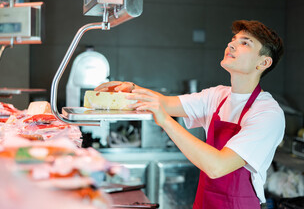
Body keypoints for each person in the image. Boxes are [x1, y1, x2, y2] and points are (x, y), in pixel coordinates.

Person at [95, 20, 285, 209]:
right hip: (204, 203)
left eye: (245, 43)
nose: (231, 44)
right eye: (233, 39)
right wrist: (131, 89)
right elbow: (165, 103)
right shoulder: (217, 96)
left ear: (264, 62)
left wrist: (166, 122)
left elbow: (217, 166)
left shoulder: (268, 113)